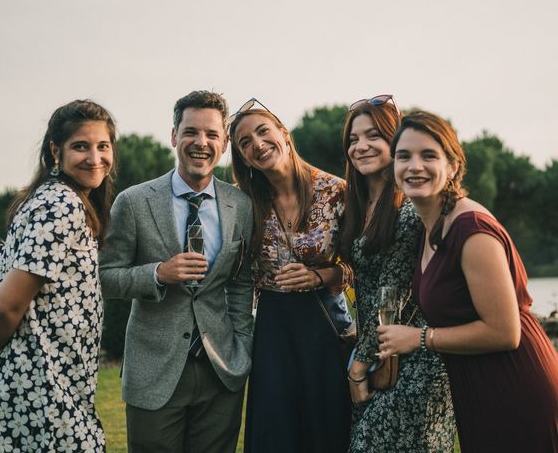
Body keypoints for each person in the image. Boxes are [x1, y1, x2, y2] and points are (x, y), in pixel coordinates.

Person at [381, 110, 558, 452]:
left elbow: (505, 332)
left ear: (453, 166)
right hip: (476, 389)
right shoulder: (432, 225)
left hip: (516, 385)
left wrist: (418, 338)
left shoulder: (471, 229)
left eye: (428, 155)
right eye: (404, 156)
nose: (414, 166)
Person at [99, 90, 254, 453]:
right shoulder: (134, 202)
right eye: (190, 132)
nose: (201, 143)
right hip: (154, 372)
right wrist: (157, 274)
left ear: (224, 142)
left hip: (221, 372)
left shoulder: (241, 206)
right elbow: (105, 277)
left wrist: (242, 348)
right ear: (173, 136)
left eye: (212, 134)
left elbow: (242, 283)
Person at [0, 99, 117, 451]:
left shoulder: (54, 198)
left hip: (48, 389)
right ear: (55, 150)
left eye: (103, 146)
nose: (95, 158)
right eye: (81, 146)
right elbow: (7, 306)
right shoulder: (61, 205)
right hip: (42, 392)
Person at [229, 98, 351, 453]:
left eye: (263, 131)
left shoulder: (337, 192)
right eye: (245, 142)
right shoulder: (242, 202)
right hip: (272, 327)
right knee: (275, 431)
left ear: (284, 133)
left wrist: (320, 276)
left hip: (326, 321)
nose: (257, 144)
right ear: (243, 156)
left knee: (328, 427)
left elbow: (360, 266)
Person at [340, 96, 455, 452]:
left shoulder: (408, 208)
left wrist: (357, 367)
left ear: (396, 140)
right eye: (353, 139)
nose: (361, 146)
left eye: (373, 135)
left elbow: (393, 293)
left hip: (415, 364)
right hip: (382, 353)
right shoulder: (360, 206)